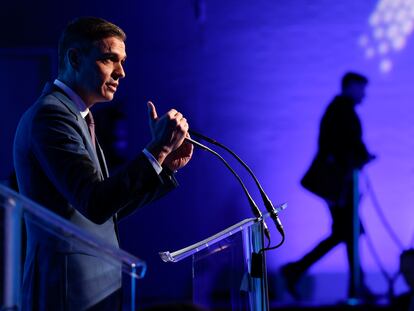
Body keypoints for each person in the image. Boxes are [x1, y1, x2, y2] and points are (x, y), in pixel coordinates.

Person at [13, 17, 193, 310]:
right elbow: (94, 202)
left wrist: (164, 164)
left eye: (122, 61)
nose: (121, 72)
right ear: (74, 58)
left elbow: (107, 211)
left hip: (90, 288)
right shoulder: (52, 116)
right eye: (109, 59)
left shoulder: (78, 116)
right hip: (68, 291)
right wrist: (157, 148)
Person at [281, 72, 375, 301]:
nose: (364, 94)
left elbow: (339, 144)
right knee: (349, 232)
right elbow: (338, 145)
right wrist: (359, 157)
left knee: (347, 232)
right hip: (340, 188)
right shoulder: (341, 111)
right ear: (351, 86)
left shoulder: (340, 110)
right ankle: (354, 286)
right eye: (361, 88)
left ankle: (299, 271)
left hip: (341, 186)